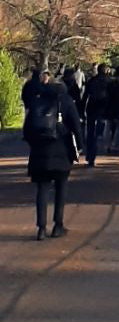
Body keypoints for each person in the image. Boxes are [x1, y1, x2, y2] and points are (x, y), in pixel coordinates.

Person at [24, 68, 83, 239]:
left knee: (42, 189)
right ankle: (58, 224)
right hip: (61, 150)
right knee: (61, 187)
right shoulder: (65, 101)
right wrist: (79, 146)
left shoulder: (37, 100)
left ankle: (41, 227)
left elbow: (27, 128)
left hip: (39, 151)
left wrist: (33, 143)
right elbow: (76, 126)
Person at [82, 63, 111, 167]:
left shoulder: (92, 81)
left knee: (91, 133)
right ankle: (93, 154)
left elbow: (85, 96)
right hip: (103, 110)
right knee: (98, 134)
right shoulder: (109, 82)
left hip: (91, 108)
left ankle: (90, 155)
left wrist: (82, 110)